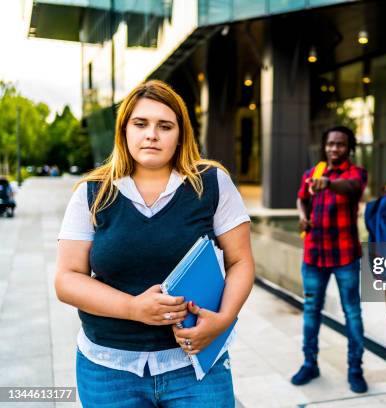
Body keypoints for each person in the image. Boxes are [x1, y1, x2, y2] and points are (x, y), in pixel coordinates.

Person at [55, 80, 254, 407]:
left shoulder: (212, 183)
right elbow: (66, 280)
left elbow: (241, 262)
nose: (152, 134)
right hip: (109, 369)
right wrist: (133, 308)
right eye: (141, 124)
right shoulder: (91, 193)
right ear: (124, 132)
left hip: (195, 364)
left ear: (180, 136)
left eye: (165, 126)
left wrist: (223, 319)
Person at [290, 126, 368, 393]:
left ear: (349, 148)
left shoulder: (356, 173)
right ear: (325, 146)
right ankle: (309, 363)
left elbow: (352, 188)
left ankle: (355, 369)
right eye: (331, 144)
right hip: (313, 255)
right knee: (311, 311)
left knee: (352, 313)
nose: (335, 148)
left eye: (341, 144)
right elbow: (301, 199)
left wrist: (329, 184)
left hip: (345, 256)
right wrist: (302, 214)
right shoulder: (312, 173)